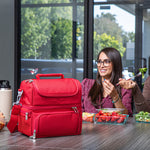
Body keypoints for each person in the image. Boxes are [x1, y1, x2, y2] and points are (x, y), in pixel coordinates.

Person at [81, 47, 133, 116]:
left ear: (115, 64)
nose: (101, 65)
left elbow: (127, 116)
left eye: (106, 61)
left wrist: (115, 96)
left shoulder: (124, 88)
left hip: (114, 127)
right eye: (99, 61)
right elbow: (78, 112)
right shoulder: (87, 85)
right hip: (89, 126)